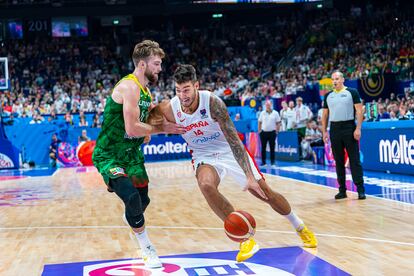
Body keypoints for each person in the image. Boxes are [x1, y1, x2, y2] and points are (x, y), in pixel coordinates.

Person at [153, 64, 317, 263]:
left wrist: (249, 176)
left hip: (228, 149)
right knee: (205, 184)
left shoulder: (213, 103)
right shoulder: (169, 107)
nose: (182, 95)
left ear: (196, 85)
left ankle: (300, 226)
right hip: (203, 154)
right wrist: (163, 126)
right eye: (178, 90)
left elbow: (234, 140)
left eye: (186, 89)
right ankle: (245, 238)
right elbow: (149, 121)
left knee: (265, 193)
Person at [92, 40, 186, 268]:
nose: (160, 68)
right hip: (110, 154)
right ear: (142, 65)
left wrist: (156, 122)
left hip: (132, 155)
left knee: (143, 200)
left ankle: (131, 215)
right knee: (131, 198)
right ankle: (147, 249)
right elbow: (131, 128)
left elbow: (142, 132)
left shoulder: (145, 91)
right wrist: (162, 128)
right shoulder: (130, 87)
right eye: (156, 63)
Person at [321, 71, 366, 200]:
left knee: (354, 160)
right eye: (332, 79)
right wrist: (324, 131)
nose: (334, 81)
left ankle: (360, 190)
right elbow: (324, 115)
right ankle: (342, 190)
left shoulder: (352, 92)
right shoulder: (328, 96)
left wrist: (358, 128)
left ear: (342, 79)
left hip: (349, 127)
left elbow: (359, 111)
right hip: (334, 129)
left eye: (337, 78)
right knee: (339, 161)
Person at [258, 100, 281, 167]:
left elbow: (278, 122)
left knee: (272, 148)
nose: (267, 106)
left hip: (272, 133)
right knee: (263, 148)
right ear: (265, 106)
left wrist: (277, 130)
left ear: (271, 105)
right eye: (266, 105)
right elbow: (259, 122)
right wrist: (259, 130)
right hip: (263, 133)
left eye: (269, 105)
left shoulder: (275, 113)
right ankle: (263, 162)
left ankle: (272, 162)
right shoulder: (262, 113)